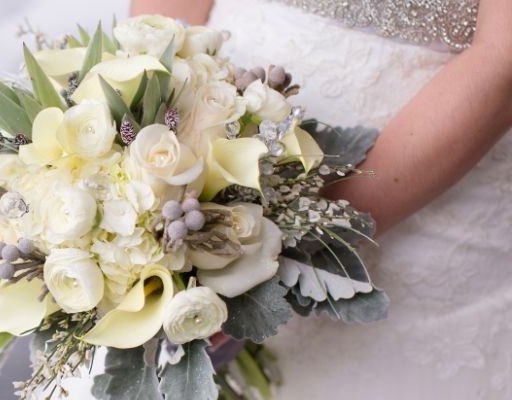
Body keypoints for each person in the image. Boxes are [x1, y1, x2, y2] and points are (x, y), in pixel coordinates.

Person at [127, 0, 512, 398]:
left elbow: (503, 59)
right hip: (197, 155)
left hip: (420, 209)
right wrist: (138, 161)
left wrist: (284, 247)